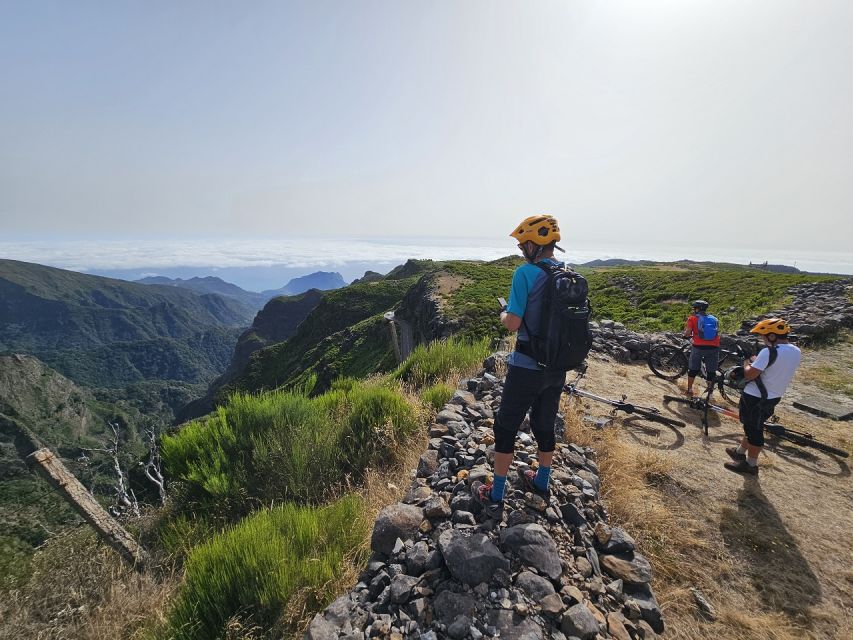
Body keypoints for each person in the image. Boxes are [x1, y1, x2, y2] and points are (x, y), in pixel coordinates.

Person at [473, 214, 568, 513]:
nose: (519, 250)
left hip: (527, 365)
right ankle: (541, 480)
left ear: (534, 244)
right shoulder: (567, 274)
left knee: (505, 427)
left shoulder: (525, 274)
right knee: (544, 423)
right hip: (557, 367)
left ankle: (496, 493)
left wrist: (503, 315)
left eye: (522, 244)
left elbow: (513, 323)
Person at [724, 318, 801, 475]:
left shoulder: (768, 352)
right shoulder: (795, 351)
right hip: (773, 396)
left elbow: (749, 375)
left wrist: (747, 363)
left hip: (755, 396)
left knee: (754, 430)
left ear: (772, 336)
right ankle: (739, 452)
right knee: (752, 425)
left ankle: (751, 465)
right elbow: (775, 368)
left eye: (764, 336)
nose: (763, 339)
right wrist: (756, 361)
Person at [682, 300, 720, 397]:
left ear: (697, 309)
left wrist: (686, 335)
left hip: (698, 347)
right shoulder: (714, 319)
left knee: (693, 368)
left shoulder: (692, 318)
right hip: (713, 347)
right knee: (711, 371)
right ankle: (710, 393)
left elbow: (688, 333)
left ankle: (690, 389)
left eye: (694, 308)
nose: (694, 310)